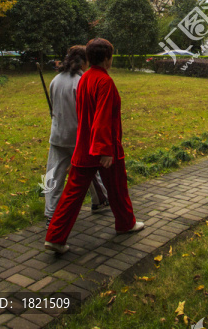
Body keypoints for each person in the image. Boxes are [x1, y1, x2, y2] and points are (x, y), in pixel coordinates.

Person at [45, 38, 144, 254]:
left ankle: (55, 236)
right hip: (104, 150)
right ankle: (126, 224)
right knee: (117, 188)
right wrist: (105, 150)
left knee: (72, 194)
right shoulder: (104, 82)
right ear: (107, 58)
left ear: (88, 58)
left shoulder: (85, 79)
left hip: (83, 148)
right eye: (111, 56)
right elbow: (102, 117)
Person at [43, 46, 109, 227]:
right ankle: (100, 199)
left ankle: (51, 212)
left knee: (53, 174)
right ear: (83, 61)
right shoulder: (81, 81)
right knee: (89, 169)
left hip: (57, 133)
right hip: (76, 135)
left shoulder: (55, 80)